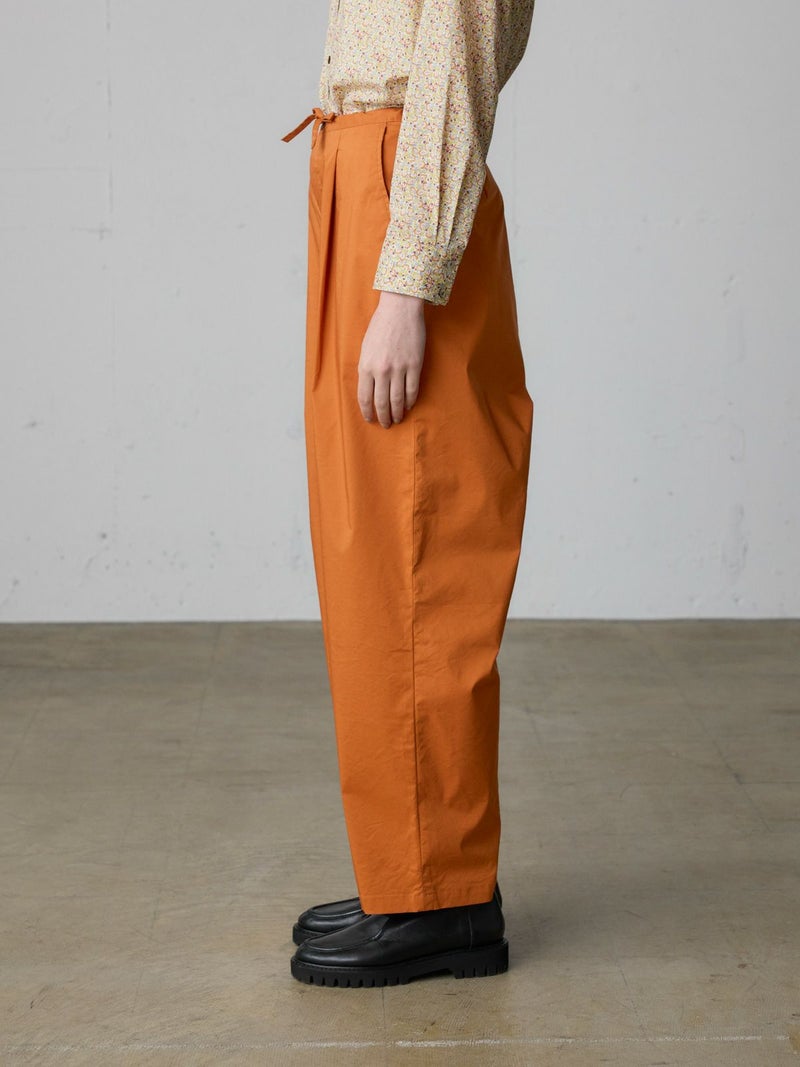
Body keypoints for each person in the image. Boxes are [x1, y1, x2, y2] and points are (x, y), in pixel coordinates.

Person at [281, 0, 537, 987]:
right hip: (359, 181)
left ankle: (442, 896)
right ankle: (406, 871)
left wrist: (408, 283)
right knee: (372, 565)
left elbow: (456, 70)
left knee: (420, 553)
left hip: (400, 196)